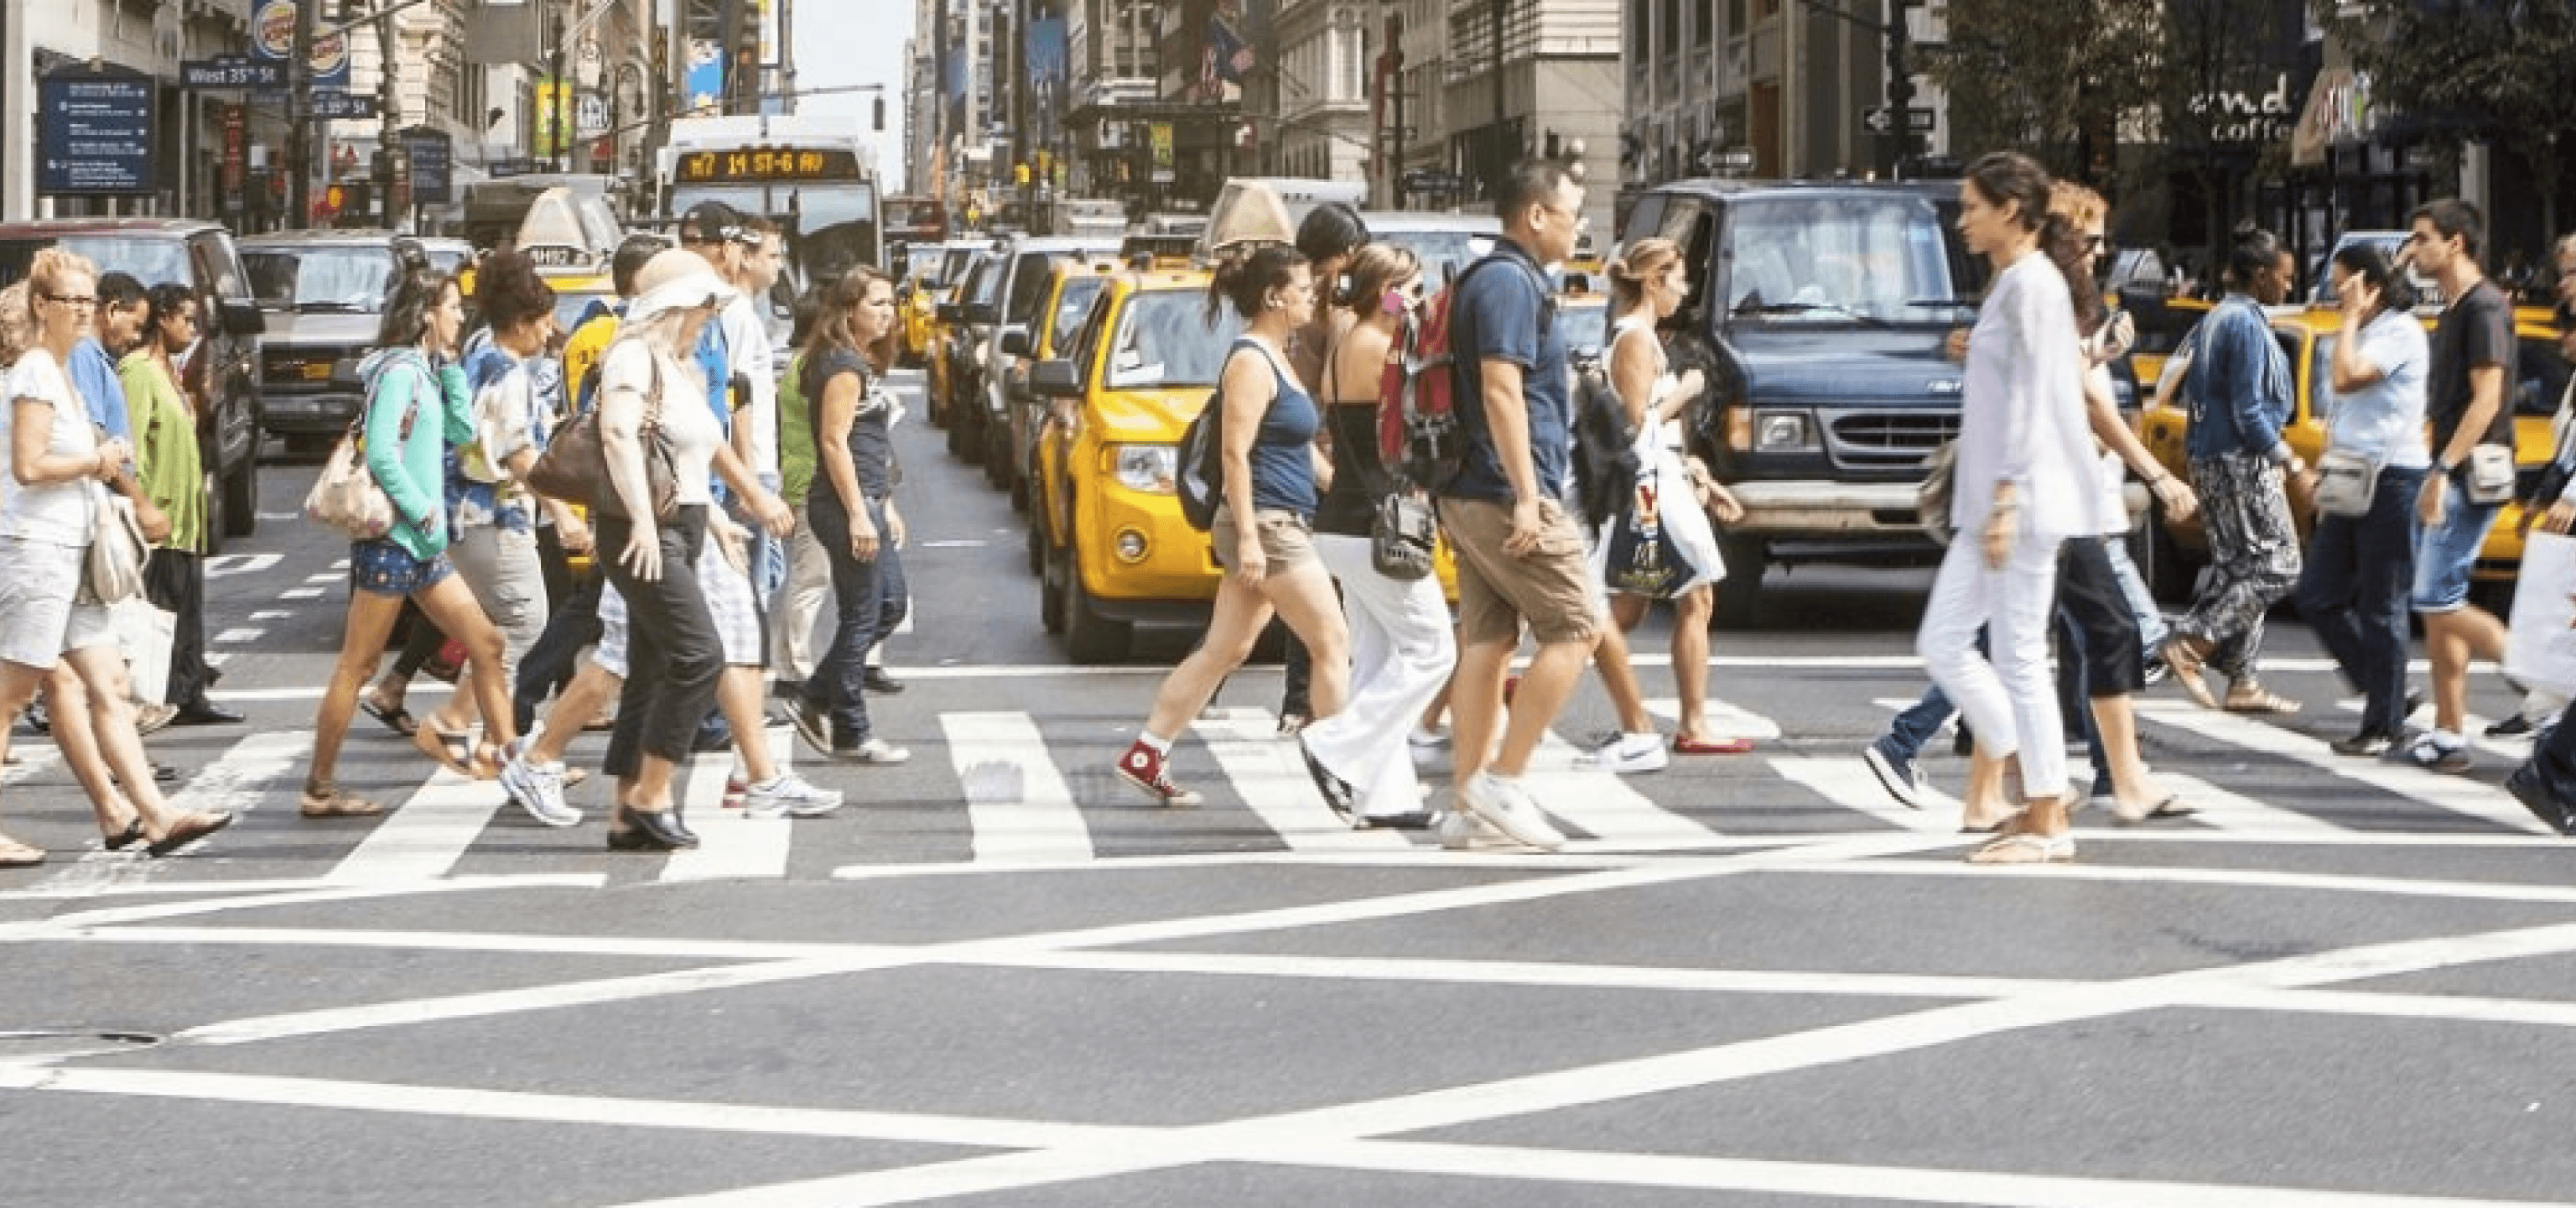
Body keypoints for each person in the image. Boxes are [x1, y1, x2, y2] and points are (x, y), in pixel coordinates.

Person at [0, 258, 232, 863]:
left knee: (109, 683)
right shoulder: (33, 373)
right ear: (41, 306)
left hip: (72, 553)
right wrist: (97, 462)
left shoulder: (66, 371)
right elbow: (28, 466)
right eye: (68, 299)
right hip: (35, 551)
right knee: (9, 696)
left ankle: (153, 816)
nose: (81, 309)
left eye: (87, 299)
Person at [1112, 242, 1353, 809]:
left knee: (1226, 647)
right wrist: (1247, 536)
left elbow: (1297, 453)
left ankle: (1147, 751)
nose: (1311, 296)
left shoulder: (1277, 355)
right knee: (1333, 642)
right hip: (1267, 525)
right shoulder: (1250, 361)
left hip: (1276, 518)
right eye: (1302, 288)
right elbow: (1234, 454)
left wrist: (1344, 492)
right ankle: (1341, 766)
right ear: (1274, 296)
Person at [1917, 151, 2096, 864]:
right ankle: (2038, 779)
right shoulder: (2013, 284)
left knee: (2019, 655)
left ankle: (2048, 814)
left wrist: (2006, 498)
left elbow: (2034, 401)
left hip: (2018, 498)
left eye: (1971, 207)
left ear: (2010, 211)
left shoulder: (2032, 286)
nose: (1962, 221)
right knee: (1944, 643)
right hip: (1993, 498)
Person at [303, 264, 521, 817]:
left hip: (421, 547)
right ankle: (319, 788)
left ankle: (513, 766)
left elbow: (462, 434)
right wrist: (423, 511)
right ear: (426, 314)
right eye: (451, 307)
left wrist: (448, 369)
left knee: (488, 644)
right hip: (394, 543)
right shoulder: (399, 372)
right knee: (357, 667)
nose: (459, 316)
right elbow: (380, 453)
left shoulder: (425, 368)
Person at [1436, 157, 1598, 852]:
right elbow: (1502, 390)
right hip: (1504, 492)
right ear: (1536, 215)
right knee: (1578, 625)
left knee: (1489, 639)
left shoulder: (1489, 276)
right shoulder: (1508, 282)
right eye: (1573, 213)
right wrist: (1531, 496)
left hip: (1473, 487)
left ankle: (1469, 803)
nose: (1580, 226)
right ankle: (1503, 778)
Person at [1575, 237, 1750, 773]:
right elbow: (1634, 425)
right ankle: (1694, 723)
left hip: (1661, 479)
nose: (1685, 289)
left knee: (1626, 608)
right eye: (1678, 279)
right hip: (1649, 488)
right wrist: (1687, 389)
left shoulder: (1643, 337)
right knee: (1695, 597)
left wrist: (1700, 473)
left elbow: (1658, 431)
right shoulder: (1634, 339)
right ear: (1654, 282)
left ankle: (1541, 676)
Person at [1294, 242, 1448, 829]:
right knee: (1435, 649)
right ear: (1383, 289)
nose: (1415, 297)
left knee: (1377, 658)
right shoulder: (1378, 346)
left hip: (1348, 523)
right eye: (1408, 287)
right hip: (1373, 526)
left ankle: (1382, 799)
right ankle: (1334, 743)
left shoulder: (1346, 344)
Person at [2294, 242, 2431, 758]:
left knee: (2382, 603)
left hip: (2393, 477)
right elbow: (2339, 409)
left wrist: (2351, 318)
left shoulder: (2401, 331)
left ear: (2370, 284)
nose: (2335, 292)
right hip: (2350, 475)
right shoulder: (2359, 331)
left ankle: (2384, 723)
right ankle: (2384, 689)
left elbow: (2349, 378)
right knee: (2317, 594)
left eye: (2343, 283)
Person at [2162, 225, 2303, 715]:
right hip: (2238, 458)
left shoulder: (2218, 319)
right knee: (2278, 564)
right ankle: (2192, 642)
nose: (2288, 286)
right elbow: (2249, 410)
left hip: (2212, 455)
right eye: (2283, 278)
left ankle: (2242, 678)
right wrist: (2288, 457)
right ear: (2261, 275)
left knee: (2240, 569)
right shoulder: (2242, 323)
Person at [2404, 199, 2517, 773]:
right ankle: (2449, 734)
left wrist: (2443, 471)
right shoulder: (2454, 309)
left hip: (2470, 474)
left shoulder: (2485, 308)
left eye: (2422, 238)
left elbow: (2488, 400)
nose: (2413, 249)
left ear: (2455, 244)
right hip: (2452, 468)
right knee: (2436, 605)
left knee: (2436, 596)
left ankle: (2542, 681)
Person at [788, 268, 914, 763]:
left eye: (890, 304)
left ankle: (838, 717)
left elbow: (868, 445)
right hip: (845, 505)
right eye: (877, 304)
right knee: (866, 612)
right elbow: (834, 443)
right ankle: (831, 709)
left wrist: (887, 504)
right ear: (847, 310)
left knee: (887, 606)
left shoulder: (856, 362)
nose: (888, 313)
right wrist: (860, 514)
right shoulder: (842, 365)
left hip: (866, 500)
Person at [121, 283, 237, 726]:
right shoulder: (138, 371)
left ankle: (189, 693)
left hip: (184, 516)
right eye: (186, 319)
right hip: (158, 511)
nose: (192, 330)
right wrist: (143, 505)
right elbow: (131, 444)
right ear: (163, 318)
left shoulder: (170, 369)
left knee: (186, 608)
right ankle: (152, 697)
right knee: (157, 611)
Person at [1275, 201, 1371, 734]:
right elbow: (1332, 385)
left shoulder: (1300, 298)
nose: (1353, 262)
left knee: (1308, 581)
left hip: (1306, 448)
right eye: (1348, 254)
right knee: (1316, 582)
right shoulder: (1325, 308)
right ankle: (1306, 699)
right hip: (1320, 452)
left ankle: (1302, 699)